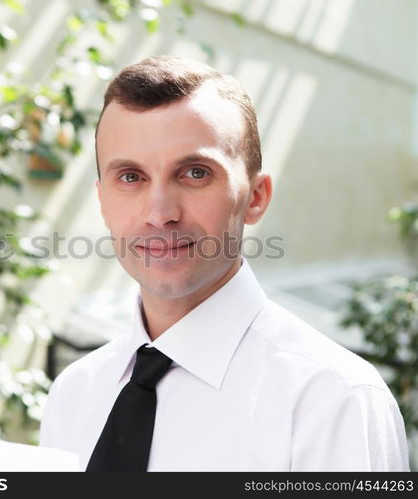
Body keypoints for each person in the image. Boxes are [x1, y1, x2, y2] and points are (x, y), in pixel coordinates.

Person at [39, 55, 409, 471]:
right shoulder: (74, 393)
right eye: (130, 177)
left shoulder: (332, 399)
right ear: (102, 199)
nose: (160, 213)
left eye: (195, 173)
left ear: (256, 197)